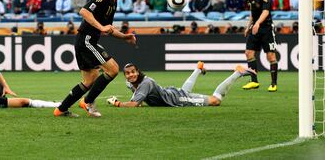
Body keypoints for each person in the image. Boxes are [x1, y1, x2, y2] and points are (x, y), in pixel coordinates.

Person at [54, 0, 136, 118]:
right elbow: (84, 12)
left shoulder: (114, 1)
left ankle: (61, 109)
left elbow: (109, 29)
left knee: (89, 79)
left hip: (86, 40)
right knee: (112, 69)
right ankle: (88, 101)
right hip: (86, 40)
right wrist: (101, 27)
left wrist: (125, 37)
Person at [106, 62, 256, 107]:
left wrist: (117, 103)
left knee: (215, 101)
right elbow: (137, 100)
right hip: (171, 93)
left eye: (133, 72)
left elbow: (134, 105)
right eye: (128, 73)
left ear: (138, 72)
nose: (131, 75)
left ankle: (238, 72)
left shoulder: (146, 83)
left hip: (176, 99)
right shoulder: (130, 83)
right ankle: (198, 68)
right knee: (184, 91)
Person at [243, 0, 278, 92]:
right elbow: (253, 13)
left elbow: (266, 12)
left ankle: (273, 84)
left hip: (266, 28)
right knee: (249, 53)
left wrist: (257, 23)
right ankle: (254, 81)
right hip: (255, 28)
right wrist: (248, 26)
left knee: (270, 56)